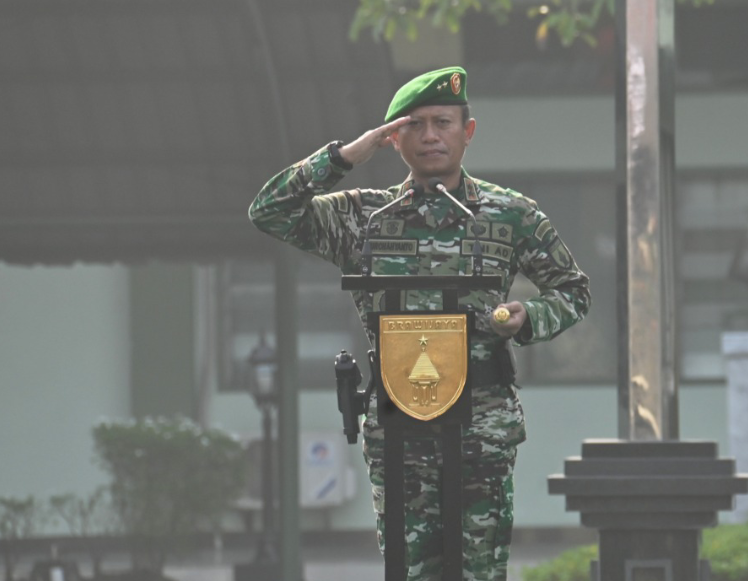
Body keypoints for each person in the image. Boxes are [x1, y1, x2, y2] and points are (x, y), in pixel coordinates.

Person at [249, 66, 590, 581]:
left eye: (443, 122)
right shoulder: (364, 217)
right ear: (393, 139)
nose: (431, 136)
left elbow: (573, 290)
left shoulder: (509, 214)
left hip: (482, 425)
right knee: (409, 573)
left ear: (467, 132)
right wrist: (343, 157)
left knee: (479, 573)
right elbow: (269, 212)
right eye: (415, 125)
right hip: (400, 428)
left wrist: (528, 317)